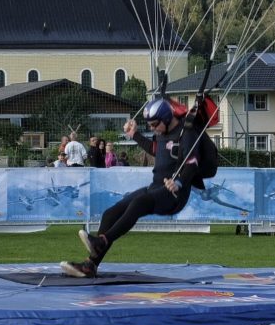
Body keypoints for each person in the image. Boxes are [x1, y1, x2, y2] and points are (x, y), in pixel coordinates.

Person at [61, 98, 213, 278]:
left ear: (166, 118)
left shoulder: (186, 133)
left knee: (140, 203)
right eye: (149, 125)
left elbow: (192, 163)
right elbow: (156, 149)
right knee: (110, 214)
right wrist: (134, 134)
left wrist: (178, 183)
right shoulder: (162, 132)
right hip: (155, 187)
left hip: (174, 194)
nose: (152, 128)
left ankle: (102, 241)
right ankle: (90, 265)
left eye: (155, 124)